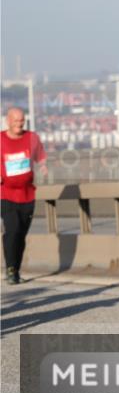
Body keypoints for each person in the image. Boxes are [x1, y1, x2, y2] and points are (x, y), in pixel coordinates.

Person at [1, 107, 47, 285]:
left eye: (22, 120)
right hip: (5, 194)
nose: (19, 124)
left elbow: (40, 156)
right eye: (16, 120)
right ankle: (11, 269)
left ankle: (15, 269)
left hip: (27, 195)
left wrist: (43, 165)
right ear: (8, 121)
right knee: (12, 230)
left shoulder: (31, 138)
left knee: (20, 235)